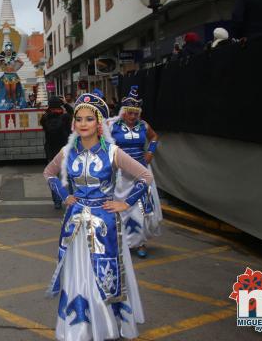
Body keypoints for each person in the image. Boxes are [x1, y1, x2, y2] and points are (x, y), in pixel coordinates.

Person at [43, 92, 152, 340]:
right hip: (74, 224)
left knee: (101, 276)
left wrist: (126, 203)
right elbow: (49, 173)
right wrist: (63, 193)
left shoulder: (113, 152)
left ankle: (104, 326)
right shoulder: (67, 151)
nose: (82, 123)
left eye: (89, 119)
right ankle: (79, 328)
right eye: (78, 119)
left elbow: (146, 176)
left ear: (99, 123)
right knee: (77, 275)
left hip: (105, 226)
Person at [108, 86, 162, 259]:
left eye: (136, 113)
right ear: (123, 112)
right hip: (120, 175)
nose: (133, 117)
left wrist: (150, 152)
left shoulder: (143, 125)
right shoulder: (112, 126)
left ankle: (139, 243)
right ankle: (120, 243)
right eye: (130, 113)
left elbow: (154, 137)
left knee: (140, 208)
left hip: (141, 172)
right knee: (120, 207)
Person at [40, 96, 73, 209]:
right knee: (70, 177)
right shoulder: (65, 117)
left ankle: (57, 201)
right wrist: (66, 104)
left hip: (51, 150)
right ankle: (73, 199)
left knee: (53, 177)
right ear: (59, 106)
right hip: (65, 150)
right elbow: (73, 113)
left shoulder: (45, 118)